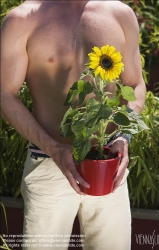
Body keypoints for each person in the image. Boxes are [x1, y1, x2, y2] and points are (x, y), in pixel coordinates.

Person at [1, 0, 146, 249]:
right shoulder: (22, 19)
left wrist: (124, 137)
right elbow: (5, 94)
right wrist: (54, 148)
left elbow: (135, 84)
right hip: (48, 163)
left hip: (108, 164)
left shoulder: (120, 14)